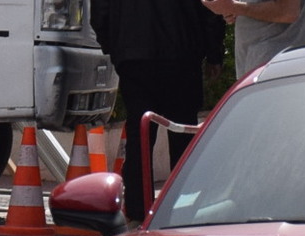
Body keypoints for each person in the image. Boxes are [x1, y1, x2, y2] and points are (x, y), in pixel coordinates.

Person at [92, 0, 224, 217]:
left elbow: (100, 13)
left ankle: (137, 211)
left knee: (139, 136)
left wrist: (115, 48)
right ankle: (184, 210)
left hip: (134, 56)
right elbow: (211, 8)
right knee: (183, 135)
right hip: (182, 55)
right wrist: (214, 54)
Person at [202, 0, 305, 73]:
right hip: (257, 64)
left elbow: (288, 12)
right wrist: (232, 10)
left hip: (277, 66)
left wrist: (235, 7)